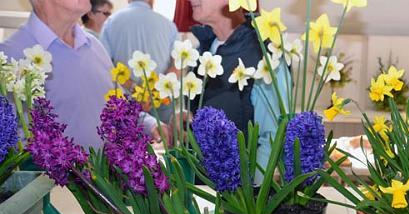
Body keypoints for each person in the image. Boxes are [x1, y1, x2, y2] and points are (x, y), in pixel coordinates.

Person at [0, 0, 167, 149]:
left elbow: (117, 105)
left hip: (105, 180)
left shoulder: (94, 46)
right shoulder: (9, 57)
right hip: (53, 183)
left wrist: (149, 124)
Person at [187, 0, 289, 175]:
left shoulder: (264, 54)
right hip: (203, 186)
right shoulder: (203, 48)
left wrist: (255, 196)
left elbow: (272, 137)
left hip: (241, 195)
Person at [100, 0, 179, 123]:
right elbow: (177, 65)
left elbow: (105, 65)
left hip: (126, 100)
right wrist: (154, 92)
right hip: (161, 101)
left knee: (129, 140)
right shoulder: (168, 24)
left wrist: (135, 88)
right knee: (165, 139)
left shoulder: (111, 23)